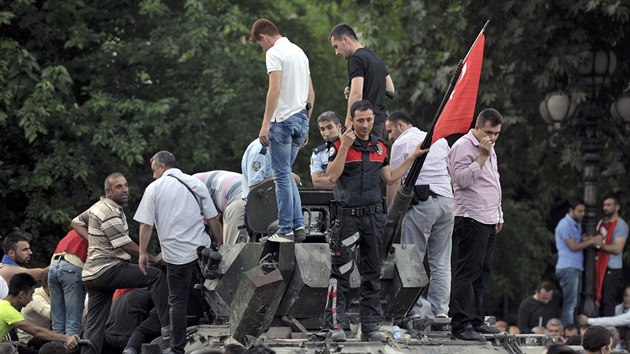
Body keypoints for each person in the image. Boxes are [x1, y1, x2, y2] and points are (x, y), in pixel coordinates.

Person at [324, 100, 427, 342]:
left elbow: (390, 176)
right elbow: (332, 176)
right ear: (351, 120)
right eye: (360, 120)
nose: (365, 124)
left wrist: (412, 157)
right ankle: (335, 325)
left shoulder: (380, 146)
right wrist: (343, 148)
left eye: (369, 120)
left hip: (373, 217)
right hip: (346, 218)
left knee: (373, 273)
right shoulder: (339, 144)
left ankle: (370, 327)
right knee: (341, 273)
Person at [74, 172, 170, 354]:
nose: (125, 190)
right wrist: (153, 258)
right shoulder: (108, 211)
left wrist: (93, 240)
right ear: (108, 192)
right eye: (119, 187)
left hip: (91, 275)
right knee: (155, 276)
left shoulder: (97, 206)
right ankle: (167, 327)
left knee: (94, 327)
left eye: (126, 185)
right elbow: (125, 244)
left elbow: (75, 222)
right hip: (108, 269)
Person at [135, 151, 218, 354]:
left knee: (177, 302)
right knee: (214, 294)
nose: (153, 175)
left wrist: (142, 252)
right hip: (201, 251)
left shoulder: (153, 189)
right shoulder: (195, 183)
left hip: (175, 257)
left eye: (154, 170)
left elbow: (146, 225)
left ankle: (177, 348)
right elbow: (213, 219)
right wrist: (221, 245)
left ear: (162, 167)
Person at [250, 18, 315, 242]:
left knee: (280, 178)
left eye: (260, 45)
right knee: (286, 175)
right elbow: (311, 94)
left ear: (263, 37)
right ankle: (298, 227)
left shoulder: (274, 53)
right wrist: (306, 124)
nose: (262, 49)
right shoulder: (299, 52)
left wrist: (265, 123)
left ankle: (285, 229)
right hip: (300, 120)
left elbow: (274, 89)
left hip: (282, 121)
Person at [384, 110, 453, 319]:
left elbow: (394, 179)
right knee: (441, 260)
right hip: (447, 202)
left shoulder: (402, 143)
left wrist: (391, 213)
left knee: (411, 256)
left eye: (390, 131)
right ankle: (440, 311)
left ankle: (411, 308)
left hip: (422, 202)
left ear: (401, 126)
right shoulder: (439, 140)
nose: (389, 136)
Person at [448, 108, 504, 341]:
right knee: (467, 271)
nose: (492, 137)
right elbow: (460, 180)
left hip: (489, 217)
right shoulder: (463, 146)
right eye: (489, 132)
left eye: (497, 133)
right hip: (471, 216)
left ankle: (476, 320)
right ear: (477, 127)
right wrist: (480, 156)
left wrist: (498, 214)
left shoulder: (490, 148)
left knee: (483, 272)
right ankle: (461, 324)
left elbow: (493, 181)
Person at [329, 23, 394, 138]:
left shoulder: (356, 59)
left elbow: (357, 94)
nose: (337, 52)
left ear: (345, 40)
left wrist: (349, 119)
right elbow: (390, 90)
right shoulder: (376, 57)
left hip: (365, 125)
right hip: (381, 122)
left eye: (336, 46)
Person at [0, 273, 78, 350]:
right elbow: (36, 331)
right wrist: (66, 338)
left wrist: (8, 342)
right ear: (22, 294)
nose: (31, 299)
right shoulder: (9, 311)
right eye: (31, 294)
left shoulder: (2, 304)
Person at [555, 197, 595, 327]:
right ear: (571, 210)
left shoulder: (575, 224)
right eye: (580, 211)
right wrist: (591, 241)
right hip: (568, 267)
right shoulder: (565, 224)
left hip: (574, 267)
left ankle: (571, 328)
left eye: (583, 211)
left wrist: (585, 238)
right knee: (570, 303)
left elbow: (578, 240)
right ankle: (568, 330)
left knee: (574, 302)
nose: (582, 214)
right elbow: (573, 246)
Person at [592, 194, 628, 317]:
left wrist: (599, 245)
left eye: (608, 205)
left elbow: (617, 248)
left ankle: (607, 332)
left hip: (612, 267)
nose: (605, 207)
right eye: (604, 205)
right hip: (599, 265)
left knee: (608, 301)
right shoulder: (601, 222)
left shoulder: (621, 225)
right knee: (597, 300)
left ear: (617, 207)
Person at [48, 229, 88, 337]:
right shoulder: (93, 229)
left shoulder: (74, 230)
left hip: (53, 266)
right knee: (73, 323)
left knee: (57, 323)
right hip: (72, 267)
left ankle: (56, 348)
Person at [193, 171, 245, 245]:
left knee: (229, 249)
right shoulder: (194, 180)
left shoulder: (190, 189)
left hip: (239, 197)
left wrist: (219, 244)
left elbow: (213, 221)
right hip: (253, 193)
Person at [104, 288, 160, 354]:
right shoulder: (154, 292)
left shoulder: (126, 292)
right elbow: (159, 316)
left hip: (108, 336)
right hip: (128, 338)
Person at [17, 272, 51, 346]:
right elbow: (50, 313)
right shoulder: (36, 297)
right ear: (50, 285)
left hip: (44, 337)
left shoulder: (52, 295)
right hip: (29, 342)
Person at [310, 111, 342, 189]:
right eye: (322, 129)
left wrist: (328, 178)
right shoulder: (318, 153)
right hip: (329, 197)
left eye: (330, 127)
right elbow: (317, 183)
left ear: (339, 127)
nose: (326, 133)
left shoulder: (352, 146)